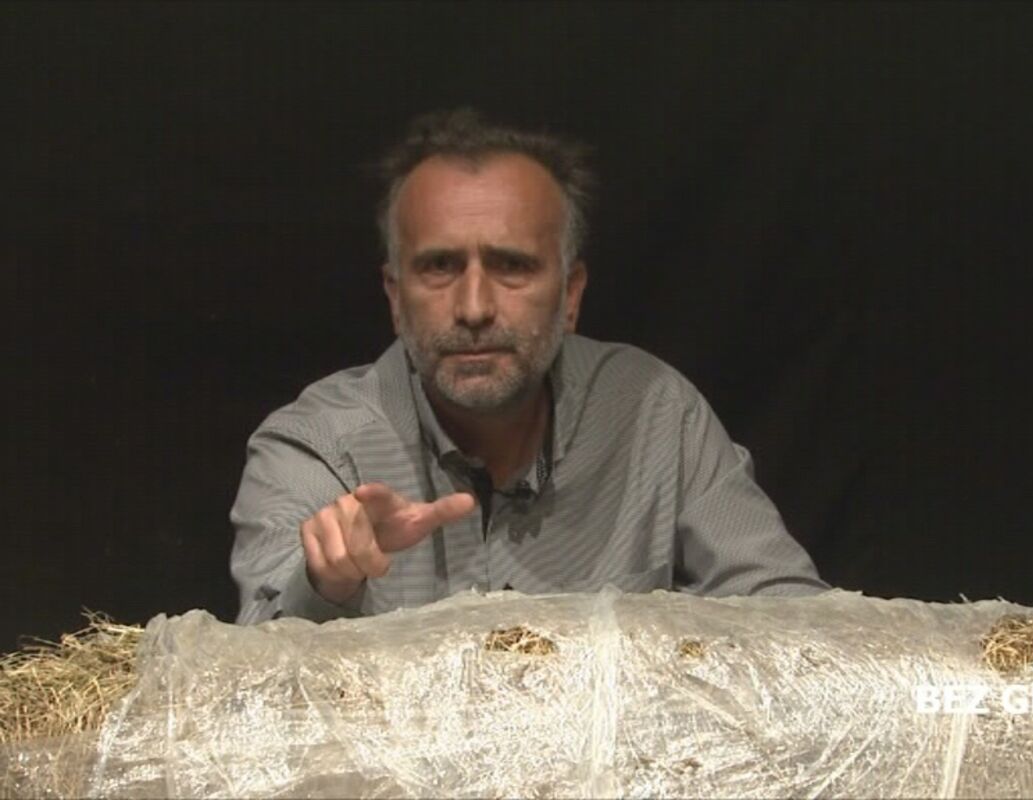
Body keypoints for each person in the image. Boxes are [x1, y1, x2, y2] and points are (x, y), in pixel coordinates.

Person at [231, 109, 826, 624]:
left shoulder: (656, 414)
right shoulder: (317, 447)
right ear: (395, 296)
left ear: (570, 294)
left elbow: (798, 618)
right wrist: (328, 586)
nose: (473, 309)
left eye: (511, 266)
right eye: (439, 267)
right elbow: (248, 678)